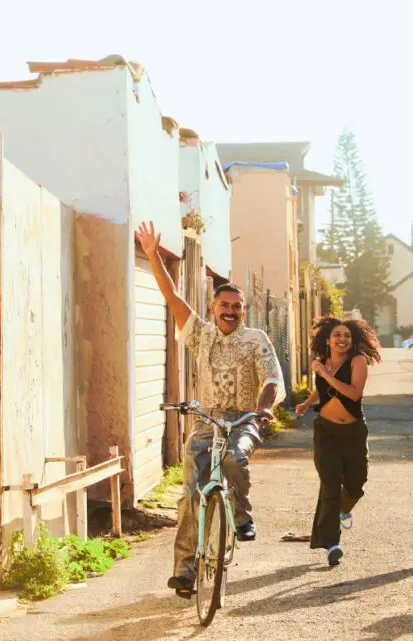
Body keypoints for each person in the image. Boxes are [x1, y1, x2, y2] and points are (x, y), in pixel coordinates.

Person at [135, 221, 285, 597]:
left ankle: (243, 515)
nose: (230, 311)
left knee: (234, 460)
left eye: (237, 307)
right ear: (213, 308)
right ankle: (184, 572)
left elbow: (271, 379)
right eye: (224, 306)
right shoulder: (199, 334)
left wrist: (264, 407)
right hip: (205, 422)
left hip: (243, 420)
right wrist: (153, 254)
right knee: (189, 496)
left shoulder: (256, 339)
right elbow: (171, 298)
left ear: (244, 311)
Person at [295, 317, 382, 566]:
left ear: (352, 340)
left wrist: (324, 373)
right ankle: (332, 543)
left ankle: (343, 509)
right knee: (330, 485)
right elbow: (322, 388)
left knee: (356, 485)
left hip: (353, 432)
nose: (342, 339)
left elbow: (353, 392)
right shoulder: (323, 362)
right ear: (328, 339)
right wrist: (308, 402)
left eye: (347, 335)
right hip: (325, 432)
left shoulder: (358, 361)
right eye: (337, 335)